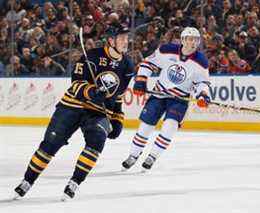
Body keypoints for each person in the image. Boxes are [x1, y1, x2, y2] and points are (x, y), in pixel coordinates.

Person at [14, 22, 135, 200]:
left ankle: (75, 182)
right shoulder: (92, 56)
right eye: (122, 38)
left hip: (97, 112)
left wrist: (117, 117)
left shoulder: (127, 66)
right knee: (49, 145)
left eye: (127, 38)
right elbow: (77, 83)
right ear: (111, 40)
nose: (126, 41)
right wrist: (92, 92)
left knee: (97, 142)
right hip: (72, 105)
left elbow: (118, 96)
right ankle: (27, 181)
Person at [121, 27, 211, 171]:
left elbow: (202, 83)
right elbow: (148, 63)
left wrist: (203, 95)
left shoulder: (201, 61)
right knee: (145, 127)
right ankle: (133, 155)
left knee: (170, 126)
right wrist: (141, 80)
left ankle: (152, 156)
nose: (193, 42)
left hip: (179, 99)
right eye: (189, 38)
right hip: (159, 94)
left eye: (196, 39)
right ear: (182, 40)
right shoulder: (166, 50)